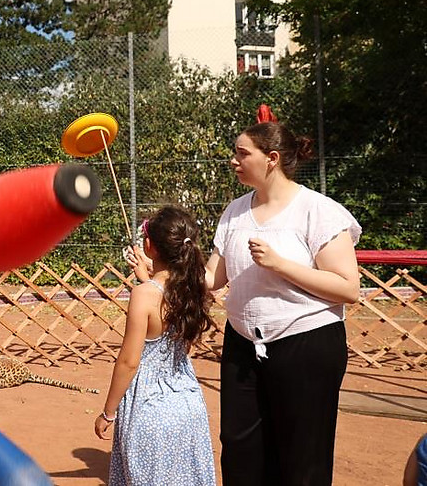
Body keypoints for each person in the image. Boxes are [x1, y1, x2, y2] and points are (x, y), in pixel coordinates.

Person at [206, 113, 361, 485]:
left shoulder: (318, 210)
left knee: (302, 454)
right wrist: (161, 268)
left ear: (271, 158)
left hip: (307, 344)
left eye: (242, 154)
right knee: (240, 448)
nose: (233, 161)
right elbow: (213, 277)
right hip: (243, 344)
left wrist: (280, 264)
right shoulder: (235, 211)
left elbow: (348, 288)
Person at [96, 206, 217, 485]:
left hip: (150, 408)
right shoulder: (191, 287)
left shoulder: (144, 295)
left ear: (149, 246)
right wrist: (147, 277)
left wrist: (108, 412)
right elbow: (168, 314)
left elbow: (129, 361)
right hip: (188, 406)